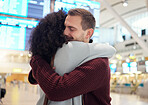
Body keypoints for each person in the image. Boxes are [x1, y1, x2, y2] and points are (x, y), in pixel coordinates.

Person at [29, 8, 116, 105]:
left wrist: (36, 60)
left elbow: (57, 91)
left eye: (71, 29)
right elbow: (35, 77)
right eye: (65, 27)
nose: (65, 33)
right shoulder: (65, 50)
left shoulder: (98, 63)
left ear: (88, 33)